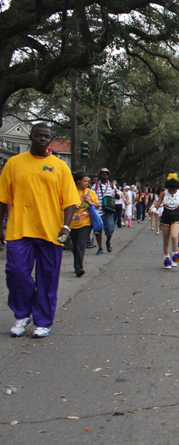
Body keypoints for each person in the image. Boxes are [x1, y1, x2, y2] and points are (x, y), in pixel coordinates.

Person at [1, 123, 79, 338]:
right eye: (38, 136)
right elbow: (3, 198)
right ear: (31, 138)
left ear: (49, 139)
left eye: (46, 136)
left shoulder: (60, 166)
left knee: (47, 278)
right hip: (19, 230)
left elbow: (70, 201)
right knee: (16, 272)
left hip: (51, 232)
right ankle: (22, 314)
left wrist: (65, 226)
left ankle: (43, 321)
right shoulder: (14, 163)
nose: (42, 139)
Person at [69, 172, 100, 277]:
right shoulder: (70, 192)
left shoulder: (90, 192)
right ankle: (76, 265)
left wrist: (90, 202)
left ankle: (79, 267)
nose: (87, 183)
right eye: (85, 181)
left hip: (85, 223)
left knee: (80, 244)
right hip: (72, 223)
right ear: (78, 182)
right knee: (74, 246)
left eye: (87, 181)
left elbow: (98, 205)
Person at [155, 174, 179, 269]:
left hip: (176, 215)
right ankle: (166, 257)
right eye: (170, 190)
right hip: (166, 215)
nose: (172, 192)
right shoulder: (163, 193)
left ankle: (175, 256)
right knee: (166, 240)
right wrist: (153, 210)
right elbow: (158, 204)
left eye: (174, 190)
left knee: (174, 236)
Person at [93, 168, 120, 255]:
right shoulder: (95, 186)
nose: (104, 175)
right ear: (100, 175)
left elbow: (117, 197)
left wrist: (116, 194)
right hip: (97, 210)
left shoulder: (112, 186)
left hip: (108, 210)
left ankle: (108, 241)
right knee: (97, 230)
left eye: (106, 174)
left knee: (110, 228)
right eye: (103, 174)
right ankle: (100, 247)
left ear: (108, 175)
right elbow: (91, 196)